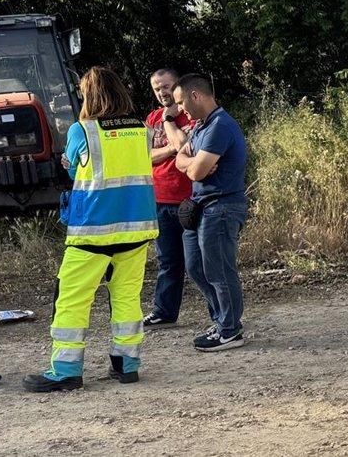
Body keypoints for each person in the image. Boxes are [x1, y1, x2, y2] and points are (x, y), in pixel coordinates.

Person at [23, 66, 157, 392]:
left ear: (88, 95)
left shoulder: (81, 130)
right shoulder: (142, 129)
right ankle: (128, 364)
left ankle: (66, 370)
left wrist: (70, 165)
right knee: (126, 297)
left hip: (93, 231)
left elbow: (74, 170)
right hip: (136, 229)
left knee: (71, 299)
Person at [173, 73, 249, 352]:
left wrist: (193, 164)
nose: (179, 109)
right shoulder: (200, 127)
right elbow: (181, 159)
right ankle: (221, 320)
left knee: (219, 270)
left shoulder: (220, 126)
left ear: (196, 96)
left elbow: (195, 170)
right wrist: (192, 162)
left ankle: (230, 329)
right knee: (195, 266)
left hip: (222, 207)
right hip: (201, 208)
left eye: (181, 102)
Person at [143, 68, 196, 327]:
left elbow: (183, 143)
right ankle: (164, 313)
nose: (162, 92)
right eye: (157, 88)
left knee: (201, 262)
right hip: (160, 199)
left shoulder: (190, 114)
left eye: (166, 86)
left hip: (189, 199)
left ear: (177, 86)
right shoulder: (151, 118)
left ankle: (222, 316)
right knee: (168, 261)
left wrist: (170, 121)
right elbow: (143, 156)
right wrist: (170, 149)